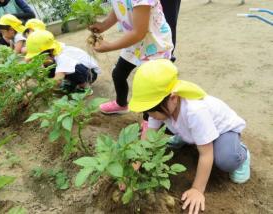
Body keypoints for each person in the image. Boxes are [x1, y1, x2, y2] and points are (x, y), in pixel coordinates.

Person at [129, 59, 251, 214]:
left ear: (173, 98)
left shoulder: (195, 111)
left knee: (226, 160)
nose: (150, 115)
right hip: (195, 128)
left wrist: (197, 190)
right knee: (155, 129)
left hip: (223, 131)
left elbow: (206, 154)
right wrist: (136, 163)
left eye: (152, 111)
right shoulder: (161, 104)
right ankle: (187, 137)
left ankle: (242, 154)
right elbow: (148, 136)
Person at [89, 0, 173, 114]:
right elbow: (118, 8)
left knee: (149, 86)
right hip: (135, 42)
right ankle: (121, 104)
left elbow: (139, 33)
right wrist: (103, 25)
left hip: (155, 44)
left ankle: (150, 121)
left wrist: (110, 46)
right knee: (118, 74)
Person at [25, 30, 101, 93]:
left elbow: (57, 81)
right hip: (79, 68)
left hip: (90, 74)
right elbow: (29, 60)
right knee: (48, 66)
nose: (39, 61)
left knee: (72, 69)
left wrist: (37, 91)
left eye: (40, 58)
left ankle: (85, 87)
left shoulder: (63, 57)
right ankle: (71, 83)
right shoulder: (54, 49)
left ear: (49, 52)